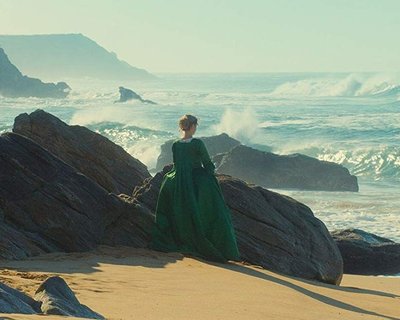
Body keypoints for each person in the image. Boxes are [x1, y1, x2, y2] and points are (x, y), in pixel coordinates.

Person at [149, 114, 241, 263]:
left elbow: (176, 164)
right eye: (196, 126)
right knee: (216, 209)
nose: (196, 128)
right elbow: (207, 163)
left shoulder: (176, 144)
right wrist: (211, 174)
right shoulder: (197, 143)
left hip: (177, 179)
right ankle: (219, 246)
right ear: (192, 126)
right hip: (195, 178)